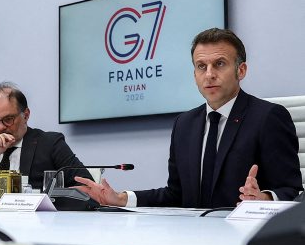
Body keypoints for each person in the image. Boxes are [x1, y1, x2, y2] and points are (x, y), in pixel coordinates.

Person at [74, 28, 303, 208]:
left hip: (244, 236)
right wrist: (121, 198)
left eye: (219, 64)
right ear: (194, 75)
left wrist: (265, 199)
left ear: (241, 70)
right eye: (201, 66)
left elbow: (292, 190)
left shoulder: (268, 117)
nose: (209, 74)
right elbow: (176, 194)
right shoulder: (184, 124)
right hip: (191, 236)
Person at [0, 82, 91, 192]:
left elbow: (88, 187)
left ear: (26, 115)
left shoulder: (50, 145)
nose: (1, 127)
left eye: (8, 119)